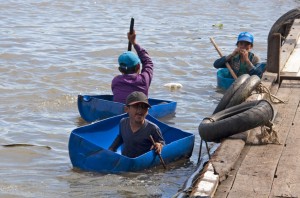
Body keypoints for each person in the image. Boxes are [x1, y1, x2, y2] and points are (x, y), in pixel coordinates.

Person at [109, 91, 165, 158]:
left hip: (142, 163)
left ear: (147, 111)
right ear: (127, 109)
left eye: (144, 107)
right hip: (126, 160)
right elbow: (121, 137)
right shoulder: (123, 122)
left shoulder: (152, 128)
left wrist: (159, 145)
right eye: (136, 106)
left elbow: (162, 144)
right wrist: (112, 149)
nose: (140, 110)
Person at [111, 30, 154, 104]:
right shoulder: (144, 80)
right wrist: (134, 42)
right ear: (138, 66)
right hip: (139, 111)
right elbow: (148, 62)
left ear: (120, 69)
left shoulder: (116, 81)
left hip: (121, 110)